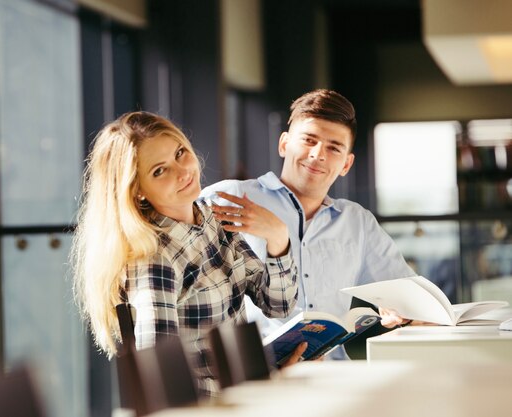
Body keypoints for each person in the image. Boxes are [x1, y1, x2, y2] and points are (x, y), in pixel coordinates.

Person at [71, 111, 301, 397]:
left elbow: (277, 306)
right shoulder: (156, 259)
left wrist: (278, 238)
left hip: (245, 394)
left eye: (180, 153)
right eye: (159, 170)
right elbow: (164, 385)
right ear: (138, 191)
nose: (182, 172)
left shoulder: (213, 219)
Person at [201, 89, 416, 359]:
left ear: (346, 164)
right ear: (284, 144)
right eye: (309, 140)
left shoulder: (357, 222)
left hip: (333, 374)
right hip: (257, 371)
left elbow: (409, 294)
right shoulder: (229, 198)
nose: (318, 154)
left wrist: (401, 311)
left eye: (333, 147)